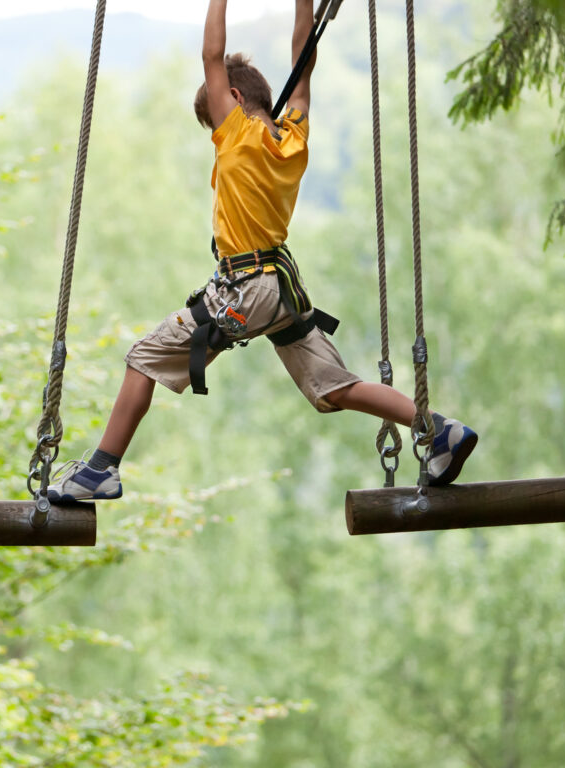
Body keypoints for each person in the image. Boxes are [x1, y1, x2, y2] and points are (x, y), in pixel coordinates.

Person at [47, 0, 477, 503]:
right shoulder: (293, 134)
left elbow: (213, 54)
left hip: (246, 287)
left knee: (144, 357)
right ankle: (436, 427)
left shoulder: (237, 137)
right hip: (282, 290)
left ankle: (102, 469)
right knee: (331, 387)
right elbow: (304, 53)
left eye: (213, 121)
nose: (215, 134)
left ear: (230, 99)